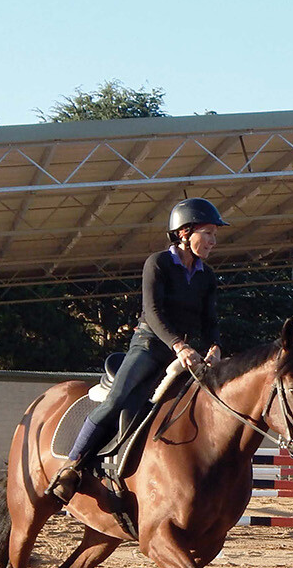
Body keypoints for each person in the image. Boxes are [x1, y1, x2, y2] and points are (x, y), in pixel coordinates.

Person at [46, 198, 228, 530]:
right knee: (118, 399)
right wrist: (179, 345)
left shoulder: (207, 276)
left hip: (187, 353)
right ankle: (71, 467)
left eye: (215, 235)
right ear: (184, 233)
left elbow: (211, 319)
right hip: (150, 346)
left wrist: (215, 346)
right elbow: (154, 313)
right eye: (209, 234)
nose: (214, 242)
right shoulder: (157, 263)